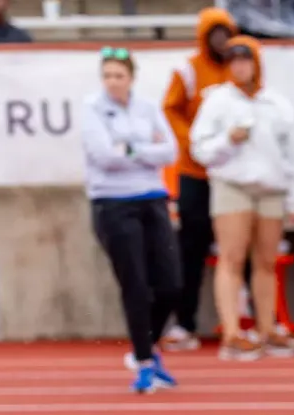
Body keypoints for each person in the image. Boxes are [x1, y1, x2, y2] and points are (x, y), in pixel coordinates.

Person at [190, 35, 294, 362]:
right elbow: (200, 149)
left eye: (245, 59)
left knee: (266, 262)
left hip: (271, 188)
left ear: (256, 63)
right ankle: (231, 333)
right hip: (233, 185)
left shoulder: (276, 103)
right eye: (233, 60)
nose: (239, 66)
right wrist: (228, 141)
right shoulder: (217, 101)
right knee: (231, 258)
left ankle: (266, 328)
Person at [80, 47, 182, 394]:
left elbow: (170, 151)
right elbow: (104, 156)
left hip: (151, 197)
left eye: (118, 76)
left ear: (131, 78)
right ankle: (143, 361)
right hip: (112, 202)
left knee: (170, 283)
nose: (112, 82)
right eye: (107, 75)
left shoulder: (148, 107)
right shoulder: (92, 108)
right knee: (135, 284)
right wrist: (143, 150)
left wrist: (132, 149)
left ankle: (148, 344)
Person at [161, 8, 238, 352]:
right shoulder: (189, 70)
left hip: (232, 173)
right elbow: (170, 109)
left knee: (238, 250)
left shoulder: (239, 67)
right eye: (215, 34)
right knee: (190, 250)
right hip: (195, 173)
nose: (221, 41)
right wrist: (191, 140)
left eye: (226, 34)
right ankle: (185, 323)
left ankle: (242, 323)